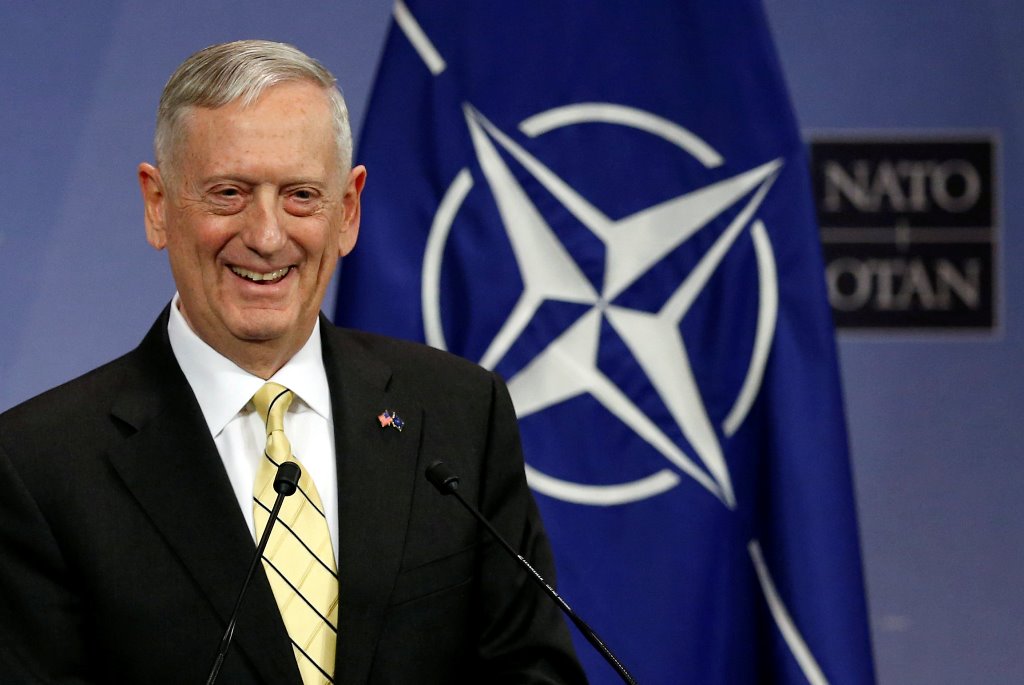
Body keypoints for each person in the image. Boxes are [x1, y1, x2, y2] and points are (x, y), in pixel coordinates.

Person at [0, 40, 585, 685]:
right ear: (158, 204)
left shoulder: (457, 415)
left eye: (301, 195)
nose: (268, 235)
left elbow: (532, 672)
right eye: (228, 193)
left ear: (349, 210)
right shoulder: (38, 466)